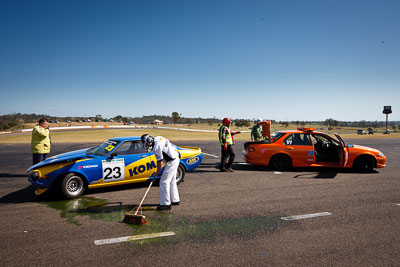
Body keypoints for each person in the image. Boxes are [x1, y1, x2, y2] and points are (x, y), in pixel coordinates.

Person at [141, 134, 180, 210]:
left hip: (171, 162)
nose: (146, 145)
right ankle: (175, 200)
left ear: (149, 141)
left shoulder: (156, 148)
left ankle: (166, 204)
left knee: (164, 182)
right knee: (172, 181)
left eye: (146, 143)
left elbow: (159, 162)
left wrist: (157, 173)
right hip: (175, 159)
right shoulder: (158, 138)